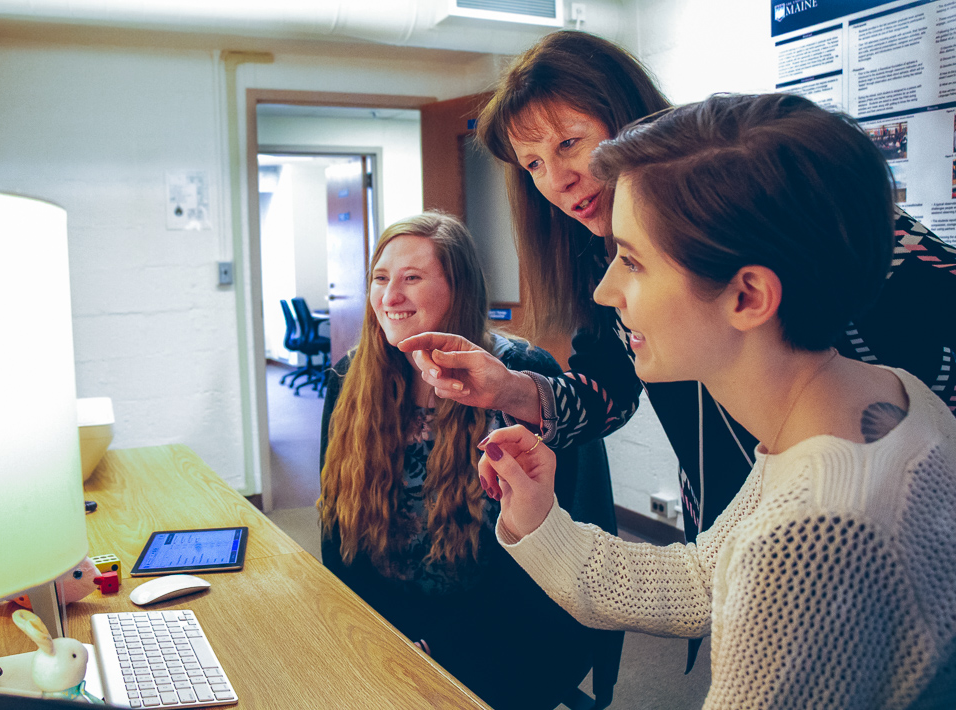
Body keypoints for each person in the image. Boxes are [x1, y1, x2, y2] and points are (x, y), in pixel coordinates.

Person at [479, 93, 956, 709]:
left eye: (631, 261)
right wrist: (538, 519)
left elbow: (756, 567)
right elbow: (705, 577)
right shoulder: (889, 395)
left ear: (748, 296)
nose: (604, 290)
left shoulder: (803, 545)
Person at [401, 28, 956, 553]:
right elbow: (609, 390)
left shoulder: (758, 194)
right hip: (733, 516)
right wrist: (511, 389)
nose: (556, 180)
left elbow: (930, 284)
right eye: (533, 165)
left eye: (569, 143)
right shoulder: (595, 252)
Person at [317, 212, 594, 710]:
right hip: (388, 620)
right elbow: (338, 529)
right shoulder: (348, 379)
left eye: (412, 279)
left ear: (458, 287)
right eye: (381, 278)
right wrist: (368, 627)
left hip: (499, 627)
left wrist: (442, 647)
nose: (390, 297)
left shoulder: (522, 377)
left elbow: (547, 547)